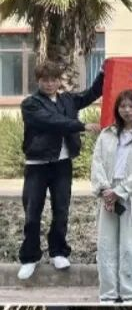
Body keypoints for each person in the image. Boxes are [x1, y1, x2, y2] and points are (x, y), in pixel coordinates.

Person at [18, 59, 104, 281]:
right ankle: (30, 258)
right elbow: (52, 121)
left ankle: (58, 252)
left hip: (62, 164)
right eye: (45, 80)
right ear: (38, 81)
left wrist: (104, 73)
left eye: (53, 80)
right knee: (32, 213)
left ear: (59, 81)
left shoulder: (67, 100)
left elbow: (91, 94)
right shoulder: (30, 104)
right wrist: (82, 126)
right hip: (37, 165)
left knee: (61, 210)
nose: (49, 84)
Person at [90, 89, 132, 303]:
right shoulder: (107, 134)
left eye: (131, 106)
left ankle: (131, 292)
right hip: (108, 192)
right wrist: (105, 190)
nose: (127, 110)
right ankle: (109, 292)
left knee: (131, 242)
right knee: (107, 242)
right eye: (123, 106)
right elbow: (97, 162)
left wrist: (120, 191)